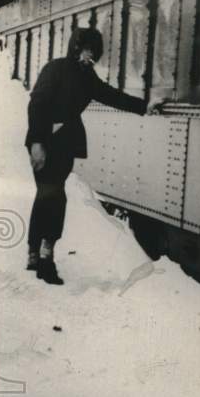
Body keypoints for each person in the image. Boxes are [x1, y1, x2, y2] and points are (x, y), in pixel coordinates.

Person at [25, 26, 164, 284]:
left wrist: (144, 107)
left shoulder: (88, 77)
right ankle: (45, 258)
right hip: (43, 142)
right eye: (87, 50)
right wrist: (36, 142)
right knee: (52, 194)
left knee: (48, 193)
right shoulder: (54, 69)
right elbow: (37, 104)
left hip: (65, 144)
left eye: (94, 52)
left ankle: (36, 252)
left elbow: (112, 97)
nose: (90, 56)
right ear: (76, 48)